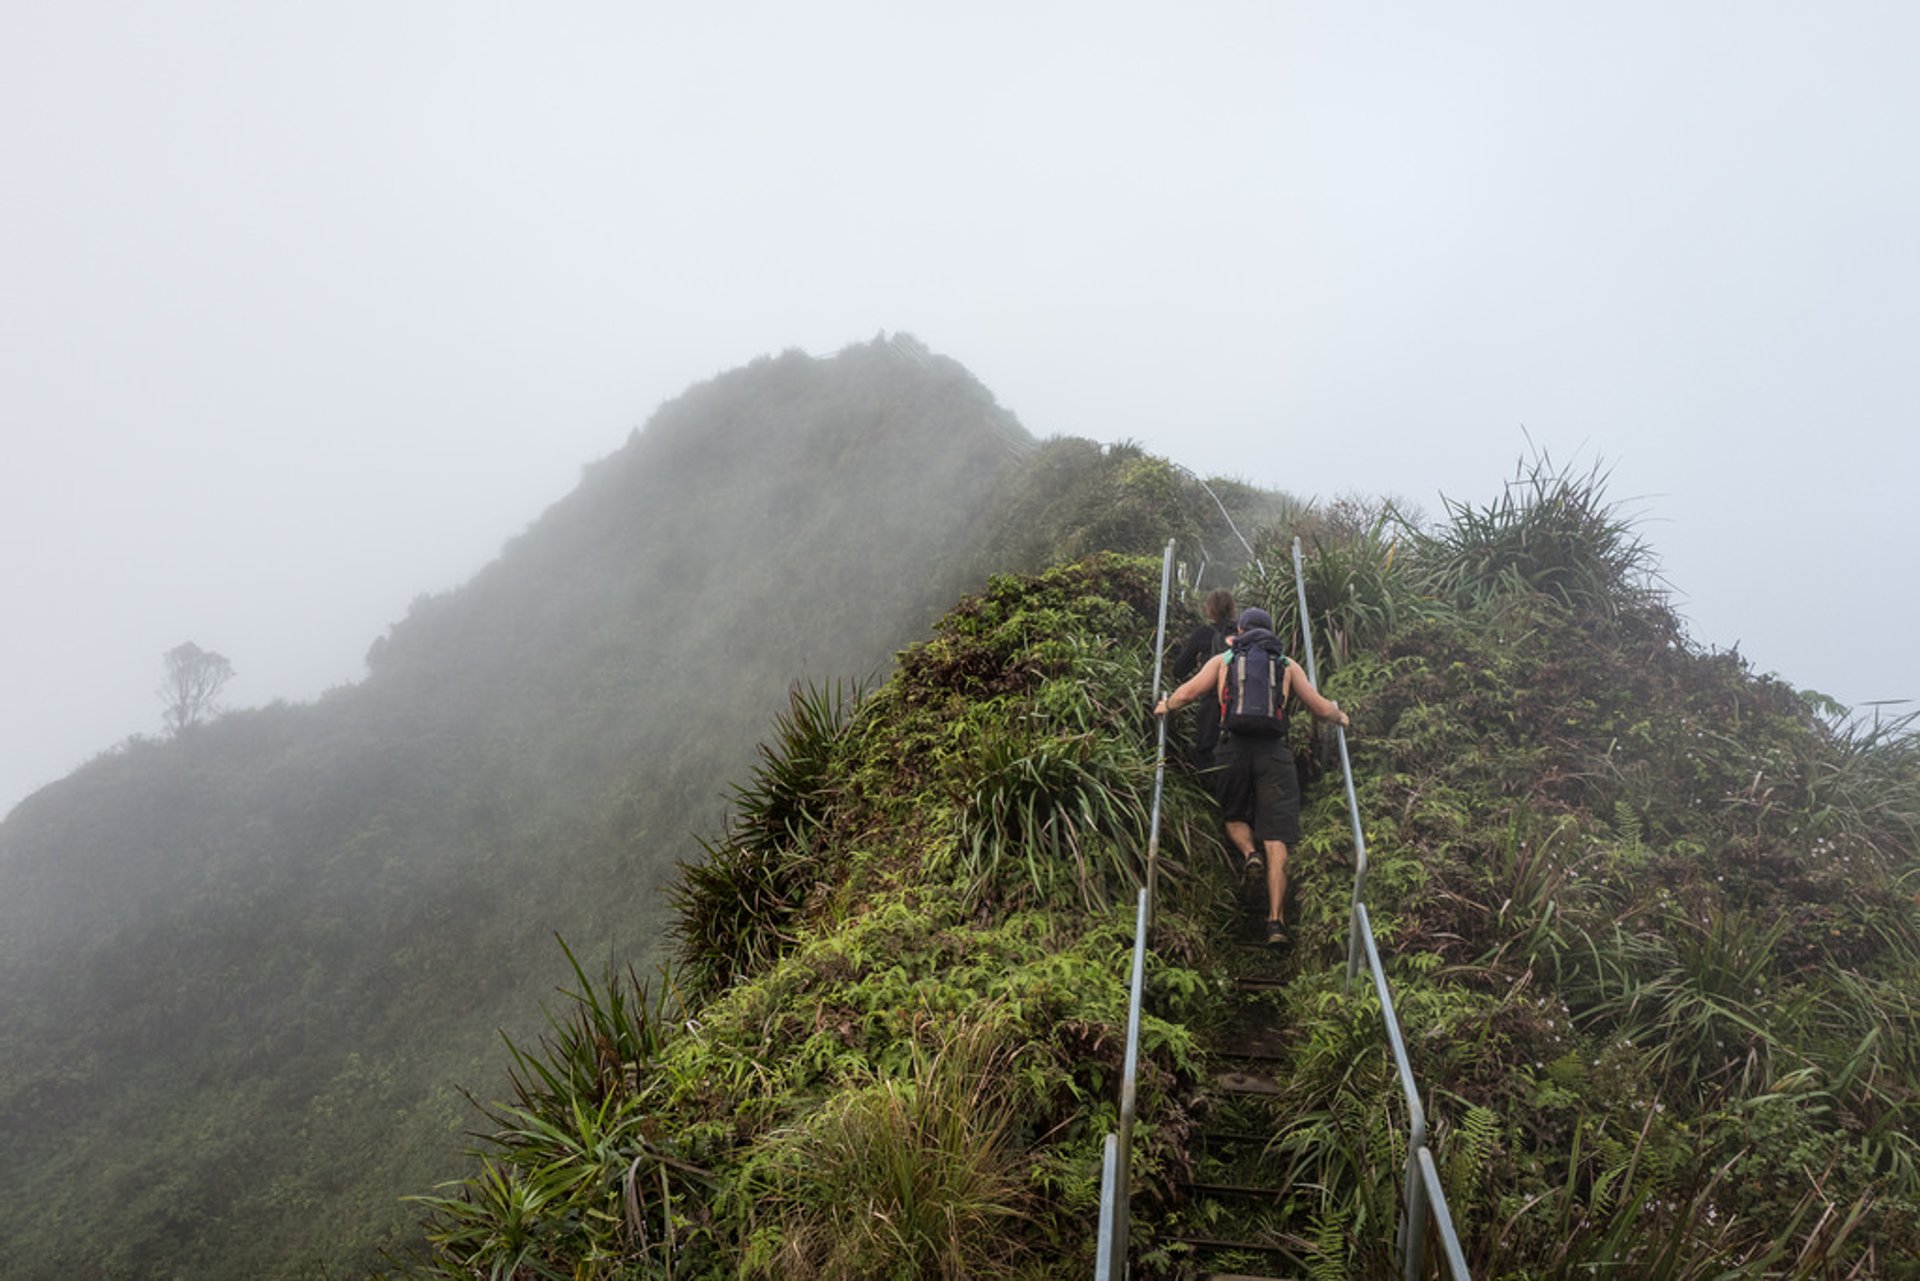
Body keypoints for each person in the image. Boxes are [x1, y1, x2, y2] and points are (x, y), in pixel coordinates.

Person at [1154, 606, 1349, 946]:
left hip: (1232, 748)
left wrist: (1165, 706)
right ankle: (1276, 922)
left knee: (1233, 814)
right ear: (1272, 632)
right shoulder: (1287, 665)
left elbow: (1187, 693)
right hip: (1275, 752)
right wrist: (1341, 715)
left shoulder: (1225, 660)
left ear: (1240, 630)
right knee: (1277, 837)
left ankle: (1248, 854)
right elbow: (1320, 708)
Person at [1167, 588, 1237, 788]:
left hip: (1212, 702)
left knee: (1206, 752)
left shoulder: (1204, 634)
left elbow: (1179, 670)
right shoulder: (1244, 634)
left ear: (1210, 610)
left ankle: (1211, 801)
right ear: (1233, 609)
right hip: (1242, 702)